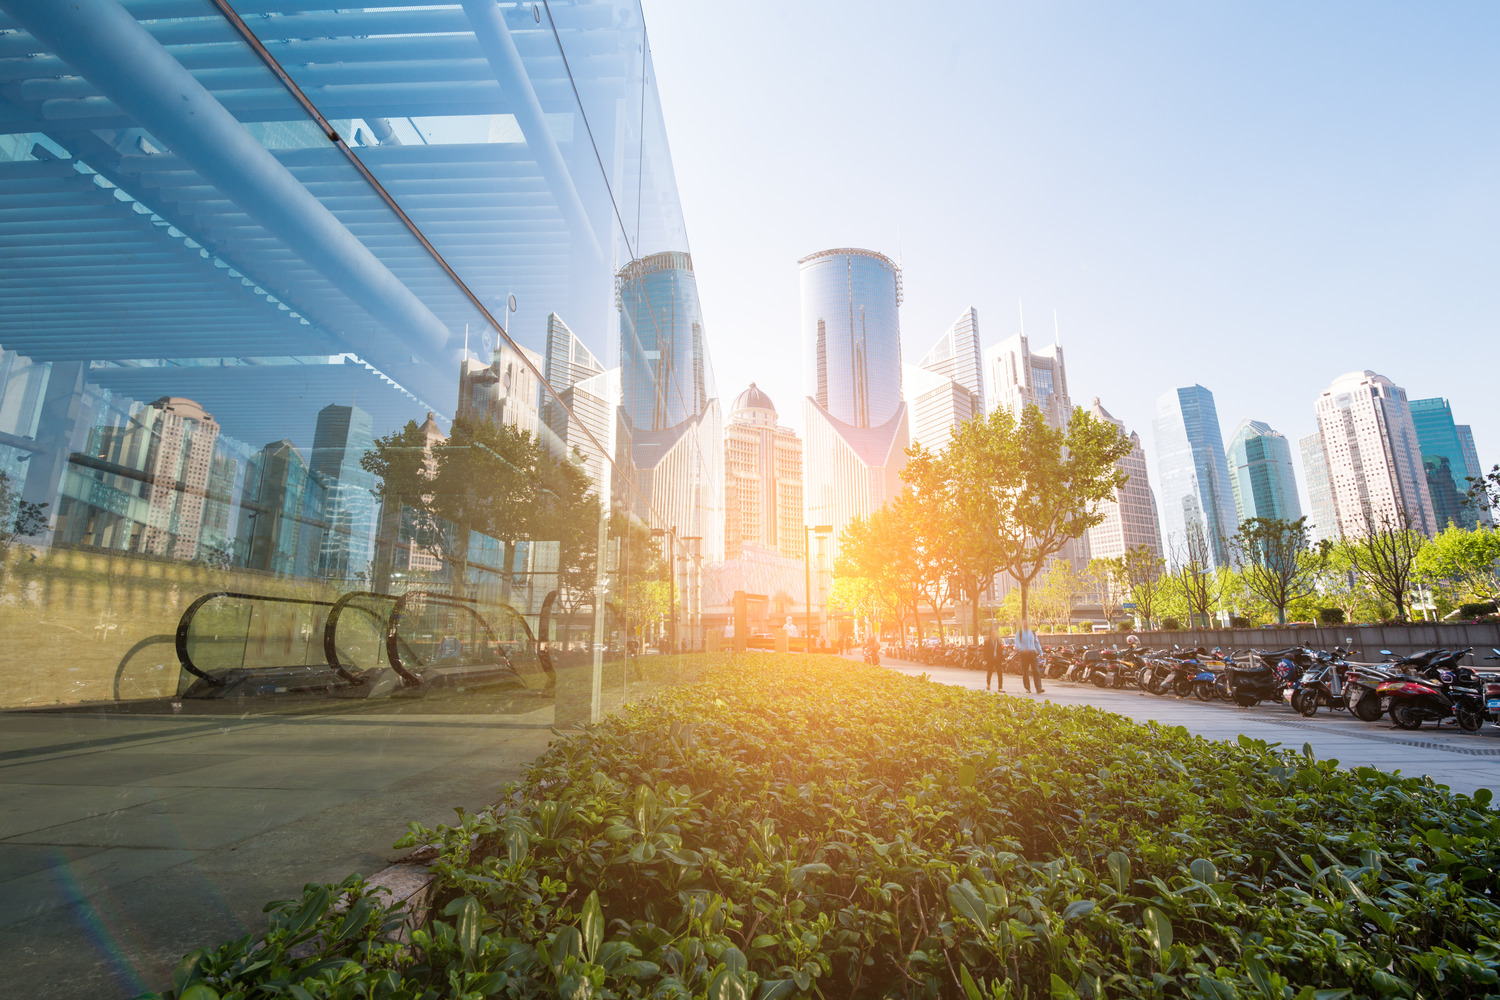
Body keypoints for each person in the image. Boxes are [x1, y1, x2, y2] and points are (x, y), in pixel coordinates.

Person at [1015, 623, 1045, 694]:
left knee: (1036, 670)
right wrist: (1022, 648)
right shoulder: (1020, 633)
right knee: (1025, 671)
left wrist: (1040, 652)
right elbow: (1017, 643)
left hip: (1033, 653)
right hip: (1024, 654)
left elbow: (1037, 643)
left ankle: (1038, 688)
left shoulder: (1033, 633)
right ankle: (1027, 688)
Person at [982, 627, 1005, 692]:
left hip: (998, 659)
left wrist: (1003, 659)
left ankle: (1000, 687)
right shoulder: (987, 641)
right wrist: (984, 659)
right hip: (990, 659)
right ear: (990, 634)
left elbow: (1000, 651)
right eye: (992, 633)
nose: (994, 634)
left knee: (1000, 673)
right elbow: (985, 651)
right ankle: (988, 684)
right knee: (989, 672)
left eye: (995, 633)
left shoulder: (998, 641)